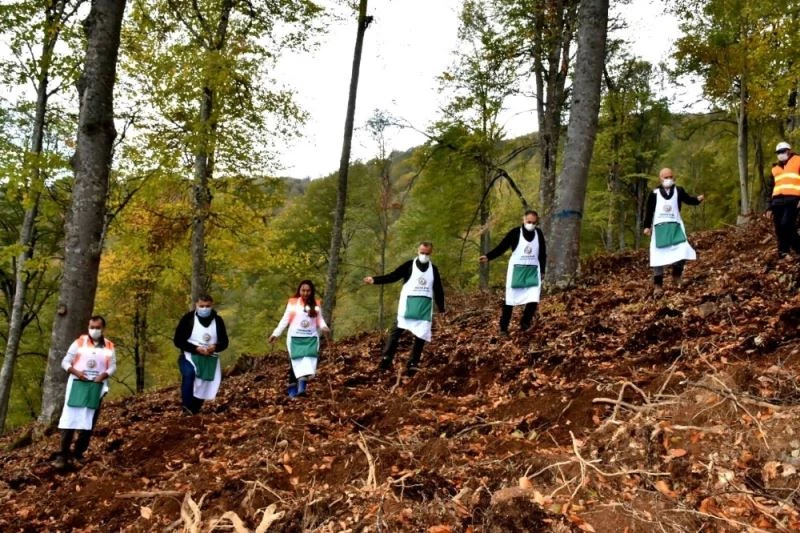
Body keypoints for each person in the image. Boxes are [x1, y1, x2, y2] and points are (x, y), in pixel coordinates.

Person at [363, 241, 445, 376]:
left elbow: (438, 289)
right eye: (422, 253)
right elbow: (393, 276)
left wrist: (441, 309)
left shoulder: (433, 269)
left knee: (420, 336)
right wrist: (375, 280)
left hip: (424, 309)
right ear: (417, 251)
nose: (424, 255)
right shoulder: (409, 265)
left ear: (431, 253)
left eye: (427, 253)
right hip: (407, 307)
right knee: (395, 333)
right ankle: (386, 359)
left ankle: (412, 364)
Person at [54, 316, 116, 469]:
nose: (94, 330)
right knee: (70, 418)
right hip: (77, 384)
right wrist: (75, 371)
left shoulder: (109, 346)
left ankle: (78, 454)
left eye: (97, 327)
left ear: (103, 328)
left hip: (96, 386)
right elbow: (65, 362)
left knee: (89, 420)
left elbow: (112, 367)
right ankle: (63, 454)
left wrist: (104, 375)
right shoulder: (79, 343)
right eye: (92, 327)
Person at [479, 209, 546, 336]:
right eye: (529, 221)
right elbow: (502, 247)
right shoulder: (515, 233)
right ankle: (503, 328)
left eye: (533, 222)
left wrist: (542, 270)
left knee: (533, 298)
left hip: (532, 271)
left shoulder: (539, 234)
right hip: (517, 272)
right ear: (524, 219)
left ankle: (525, 323)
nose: (531, 224)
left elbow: (542, 253)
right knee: (510, 299)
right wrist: (489, 256)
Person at [642, 168, 704, 297]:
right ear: (660, 178)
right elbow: (649, 210)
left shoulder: (679, 190)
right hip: (660, 228)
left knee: (683, 249)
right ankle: (658, 285)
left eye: (670, 176)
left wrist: (697, 200)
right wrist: (647, 226)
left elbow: (688, 200)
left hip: (675, 226)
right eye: (665, 177)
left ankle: (677, 276)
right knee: (658, 255)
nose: (668, 179)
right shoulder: (654, 193)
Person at [269, 280, 330, 397]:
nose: (305, 293)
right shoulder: (293, 303)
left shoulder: (316, 304)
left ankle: (302, 389)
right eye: (303, 290)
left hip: (310, 338)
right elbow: (285, 319)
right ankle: (292, 390)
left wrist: (324, 327)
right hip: (295, 338)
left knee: (307, 363)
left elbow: (320, 319)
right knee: (296, 362)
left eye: (308, 291)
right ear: (299, 290)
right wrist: (276, 334)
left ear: (311, 292)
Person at [173, 294, 229, 414]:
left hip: (209, 359)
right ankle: (187, 408)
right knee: (189, 375)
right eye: (201, 306)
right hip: (189, 356)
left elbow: (225, 342)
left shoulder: (218, 321)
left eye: (207, 306)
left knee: (205, 384)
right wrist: (195, 348)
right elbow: (178, 340)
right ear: (196, 305)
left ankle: (195, 409)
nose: (204, 309)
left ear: (212, 305)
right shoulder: (188, 319)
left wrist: (215, 347)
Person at [769, 141, 800, 259]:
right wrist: (769, 207)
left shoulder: (798, 160)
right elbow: (770, 189)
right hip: (777, 202)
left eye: (782, 151)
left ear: (789, 151)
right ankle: (783, 252)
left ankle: (798, 248)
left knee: (786, 225)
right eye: (778, 152)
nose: (780, 154)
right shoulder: (774, 168)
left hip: (792, 200)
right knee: (779, 228)